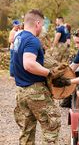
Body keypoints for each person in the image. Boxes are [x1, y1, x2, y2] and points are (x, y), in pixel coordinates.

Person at [13, 9, 61, 144]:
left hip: (21, 90)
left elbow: (13, 66)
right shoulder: (32, 40)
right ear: (38, 23)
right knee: (52, 124)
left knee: (26, 130)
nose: (43, 28)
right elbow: (28, 64)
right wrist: (49, 73)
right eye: (43, 24)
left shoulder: (19, 38)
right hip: (35, 91)